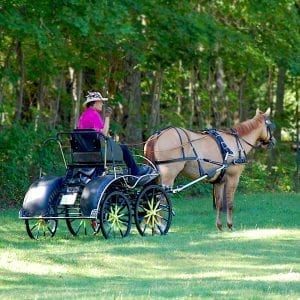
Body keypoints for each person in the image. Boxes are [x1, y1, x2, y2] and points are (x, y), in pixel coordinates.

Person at [77, 91, 151, 176]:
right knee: (124, 148)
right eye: (100, 102)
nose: (102, 104)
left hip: (85, 150)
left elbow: (94, 132)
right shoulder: (94, 114)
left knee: (118, 146)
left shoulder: (83, 115)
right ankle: (135, 172)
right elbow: (104, 133)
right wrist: (107, 117)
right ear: (95, 103)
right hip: (97, 151)